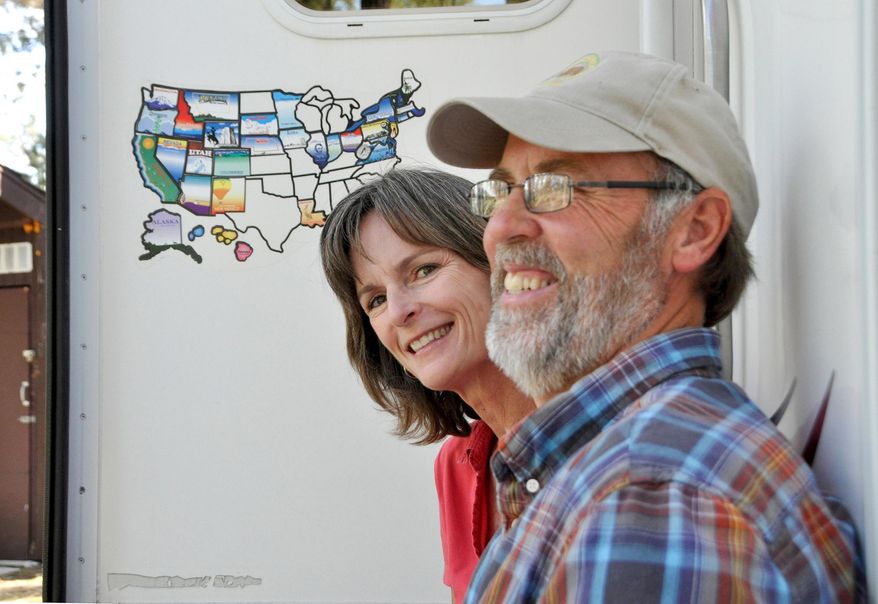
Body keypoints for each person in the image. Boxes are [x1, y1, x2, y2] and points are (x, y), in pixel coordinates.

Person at [426, 51, 866, 602]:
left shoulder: (655, 500)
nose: (501, 228)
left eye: (557, 185)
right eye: (499, 191)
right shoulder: (630, 468)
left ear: (694, 231)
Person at [319, 168, 534, 602]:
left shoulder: (610, 440)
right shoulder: (457, 465)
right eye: (375, 299)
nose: (398, 311)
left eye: (423, 270)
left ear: (497, 262)